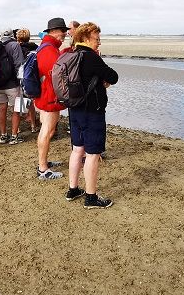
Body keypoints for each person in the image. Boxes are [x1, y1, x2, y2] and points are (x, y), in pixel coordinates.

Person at [65, 22, 118, 208]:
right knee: (93, 153)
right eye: (97, 39)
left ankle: (73, 189)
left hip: (74, 109)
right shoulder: (91, 58)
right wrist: (103, 80)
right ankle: (91, 197)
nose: (99, 43)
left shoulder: (70, 54)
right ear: (86, 38)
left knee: (77, 149)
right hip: (92, 111)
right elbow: (113, 76)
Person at [34, 17, 69, 180]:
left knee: (47, 130)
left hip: (46, 94)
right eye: (62, 31)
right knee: (47, 131)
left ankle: (44, 163)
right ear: (53, 32)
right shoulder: (48, 49)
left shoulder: (47, 46)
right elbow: (54, 73)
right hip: (49, 96)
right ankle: (42, 168)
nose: (65, 34)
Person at [0, 27, 25, 145]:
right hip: (12, 84)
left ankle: (3, 135)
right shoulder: (15, 45)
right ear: (13, 35)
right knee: (16, 109)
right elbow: (19, 65)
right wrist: (22, 81)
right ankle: (14, 136)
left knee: (2, 108)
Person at [16, 28, 38, 133]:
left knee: (20, 102)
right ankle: (33, 125)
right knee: (31, 103)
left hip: (20, 77)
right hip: (31, 77)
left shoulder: (17, 49)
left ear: (18, 38)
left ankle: (18, 127)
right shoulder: (35, 48)